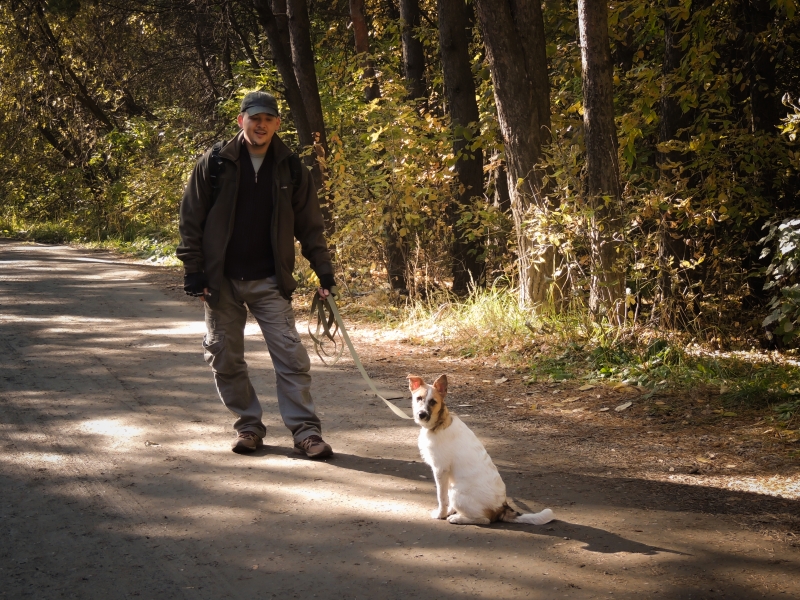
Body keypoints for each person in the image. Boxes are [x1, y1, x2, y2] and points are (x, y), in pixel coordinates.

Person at [177, 90, 335, 458]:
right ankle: (248, 426)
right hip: (221, 283)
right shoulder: (215, 162)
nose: (261, 124)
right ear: (241, 120)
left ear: (277, 124)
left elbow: (311, 227)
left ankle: (307, 433)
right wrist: (194, 270)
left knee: (291, 358)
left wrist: (323, 270)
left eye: (268, 119)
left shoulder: (292, 168)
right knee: (225, 357)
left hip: (269, 281)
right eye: (254, 118)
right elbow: (191, 219)